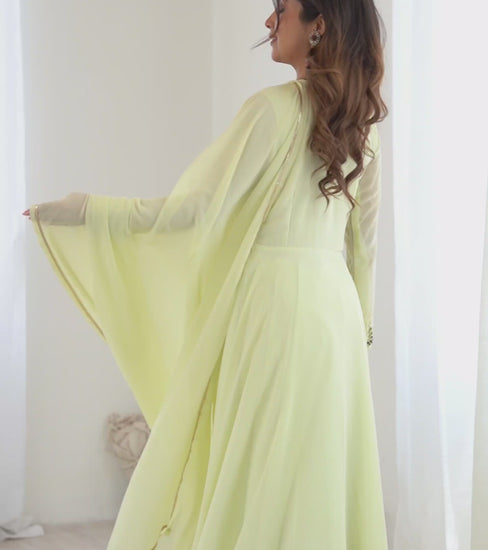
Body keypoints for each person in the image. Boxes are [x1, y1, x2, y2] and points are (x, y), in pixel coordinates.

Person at [23, 0, 389, 548]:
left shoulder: (272, 110)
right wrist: (361, 330)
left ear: (319, 25)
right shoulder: (365, 128)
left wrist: (86, 211)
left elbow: (193, 211)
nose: (269, 22)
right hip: (335, 314)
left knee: (257, 464)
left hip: (272, 307)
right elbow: (364, 246)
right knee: (313, 467)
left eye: (281, 9)